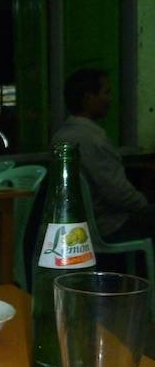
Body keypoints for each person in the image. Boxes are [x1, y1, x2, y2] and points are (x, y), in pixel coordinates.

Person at [52, 69, 155, 244]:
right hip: (109, 226)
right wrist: (144, 204)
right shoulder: (93, 140)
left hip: (81, 224)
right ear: (88, 98)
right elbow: (118, 193)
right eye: (106, 92)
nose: (110, 99)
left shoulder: (61, 136)